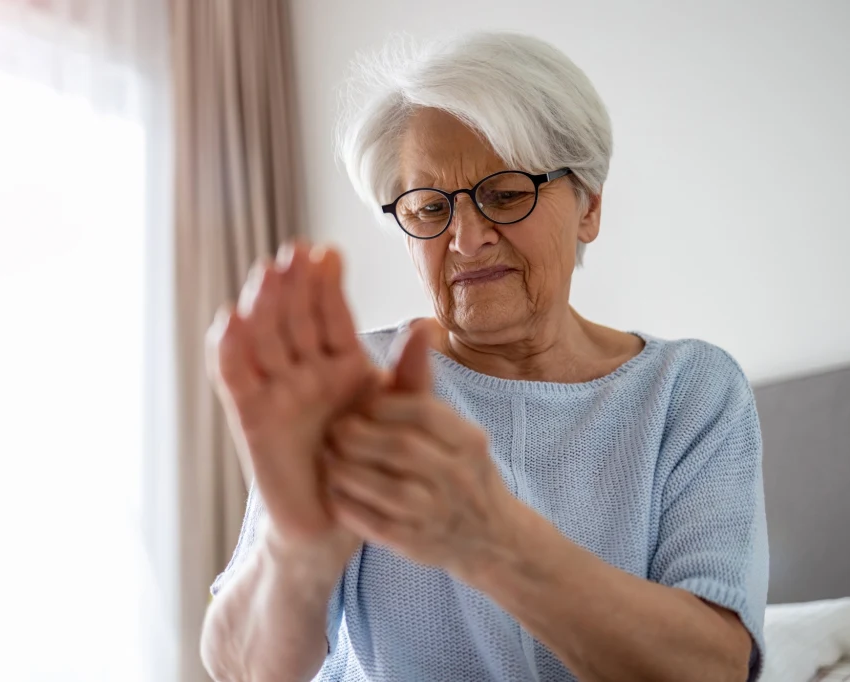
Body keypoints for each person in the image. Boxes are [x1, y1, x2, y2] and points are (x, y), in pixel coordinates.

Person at [199, 31, 767, 682]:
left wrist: (492, 539)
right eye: (430, 207)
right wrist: (299, 545)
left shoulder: (688, 392)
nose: (466, 240)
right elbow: (240, 669)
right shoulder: (357, 389)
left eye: (505, 194)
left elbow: (714, 670)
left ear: (589, 206)